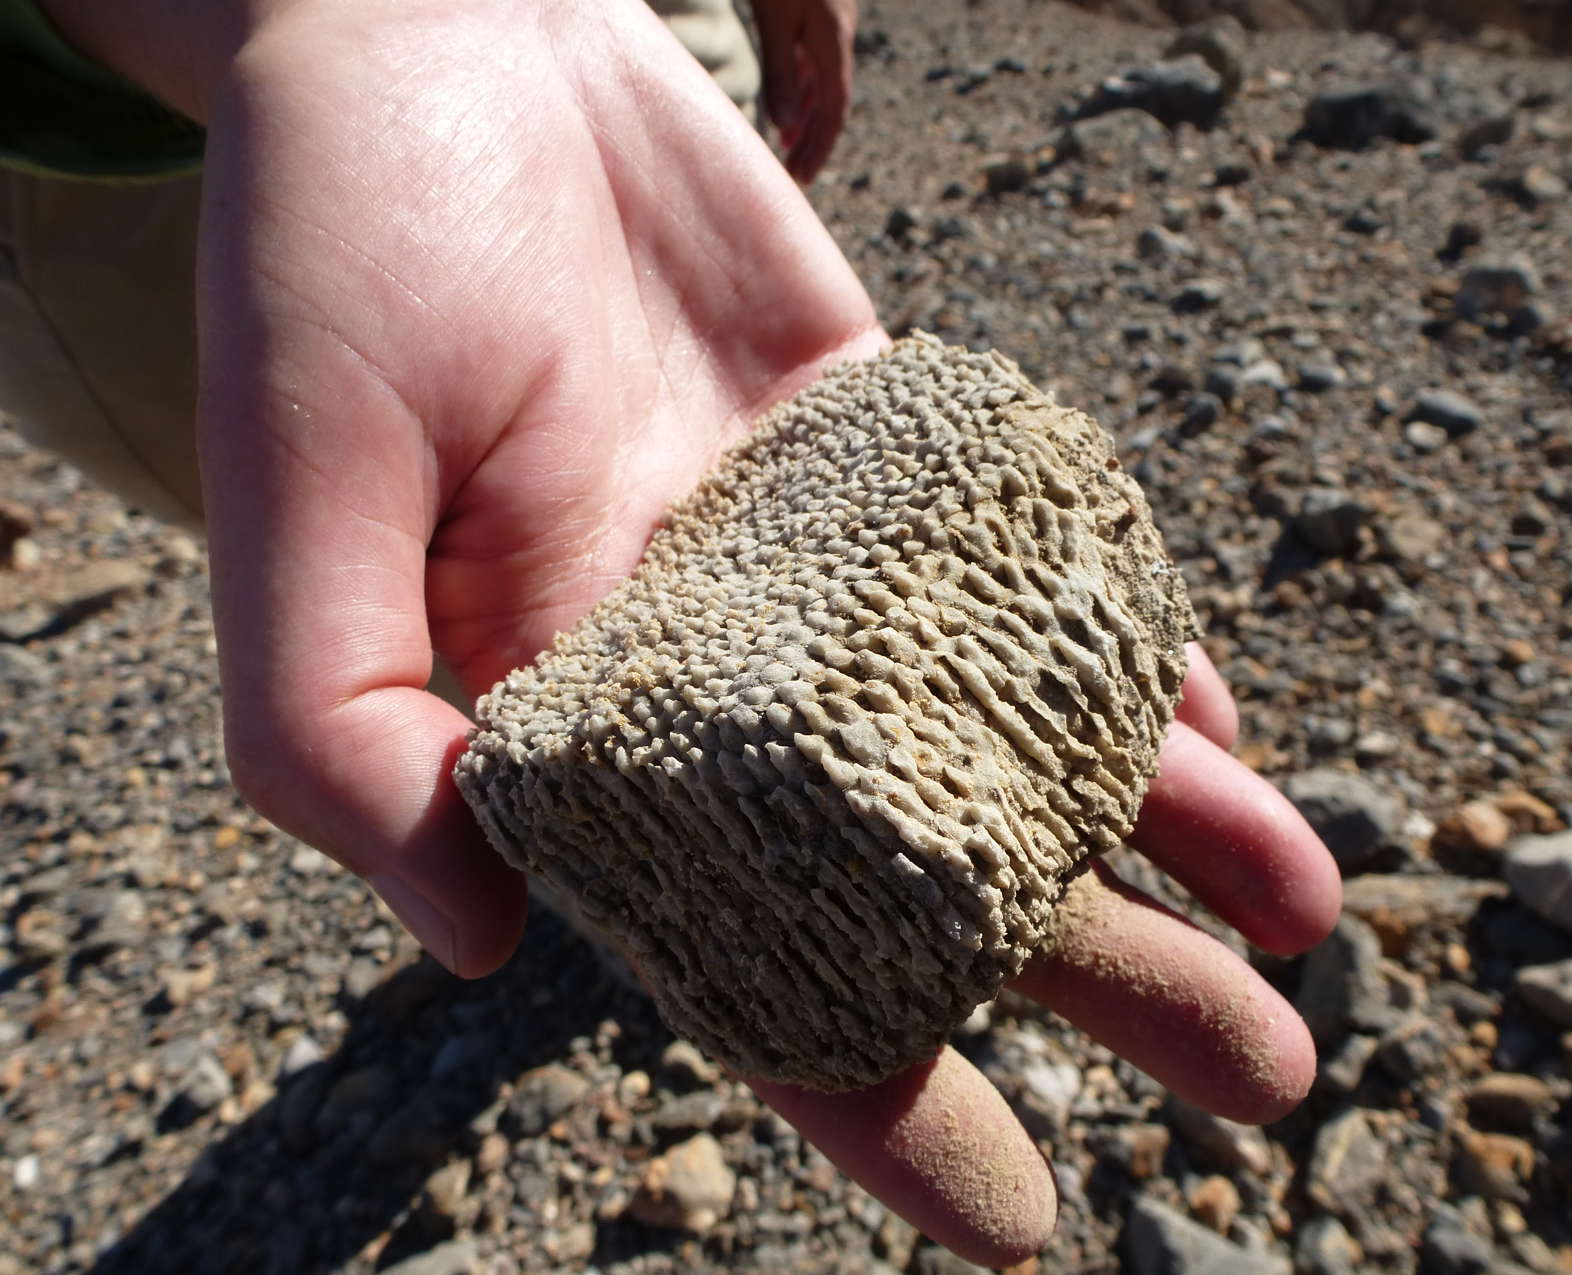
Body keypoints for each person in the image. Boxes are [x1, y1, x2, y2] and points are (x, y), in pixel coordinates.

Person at [0, 0, 1342, 1263]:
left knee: (573, 457)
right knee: (439, 563)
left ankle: (675, 876)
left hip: (611, 41)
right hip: (123, 140)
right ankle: (654, 877)